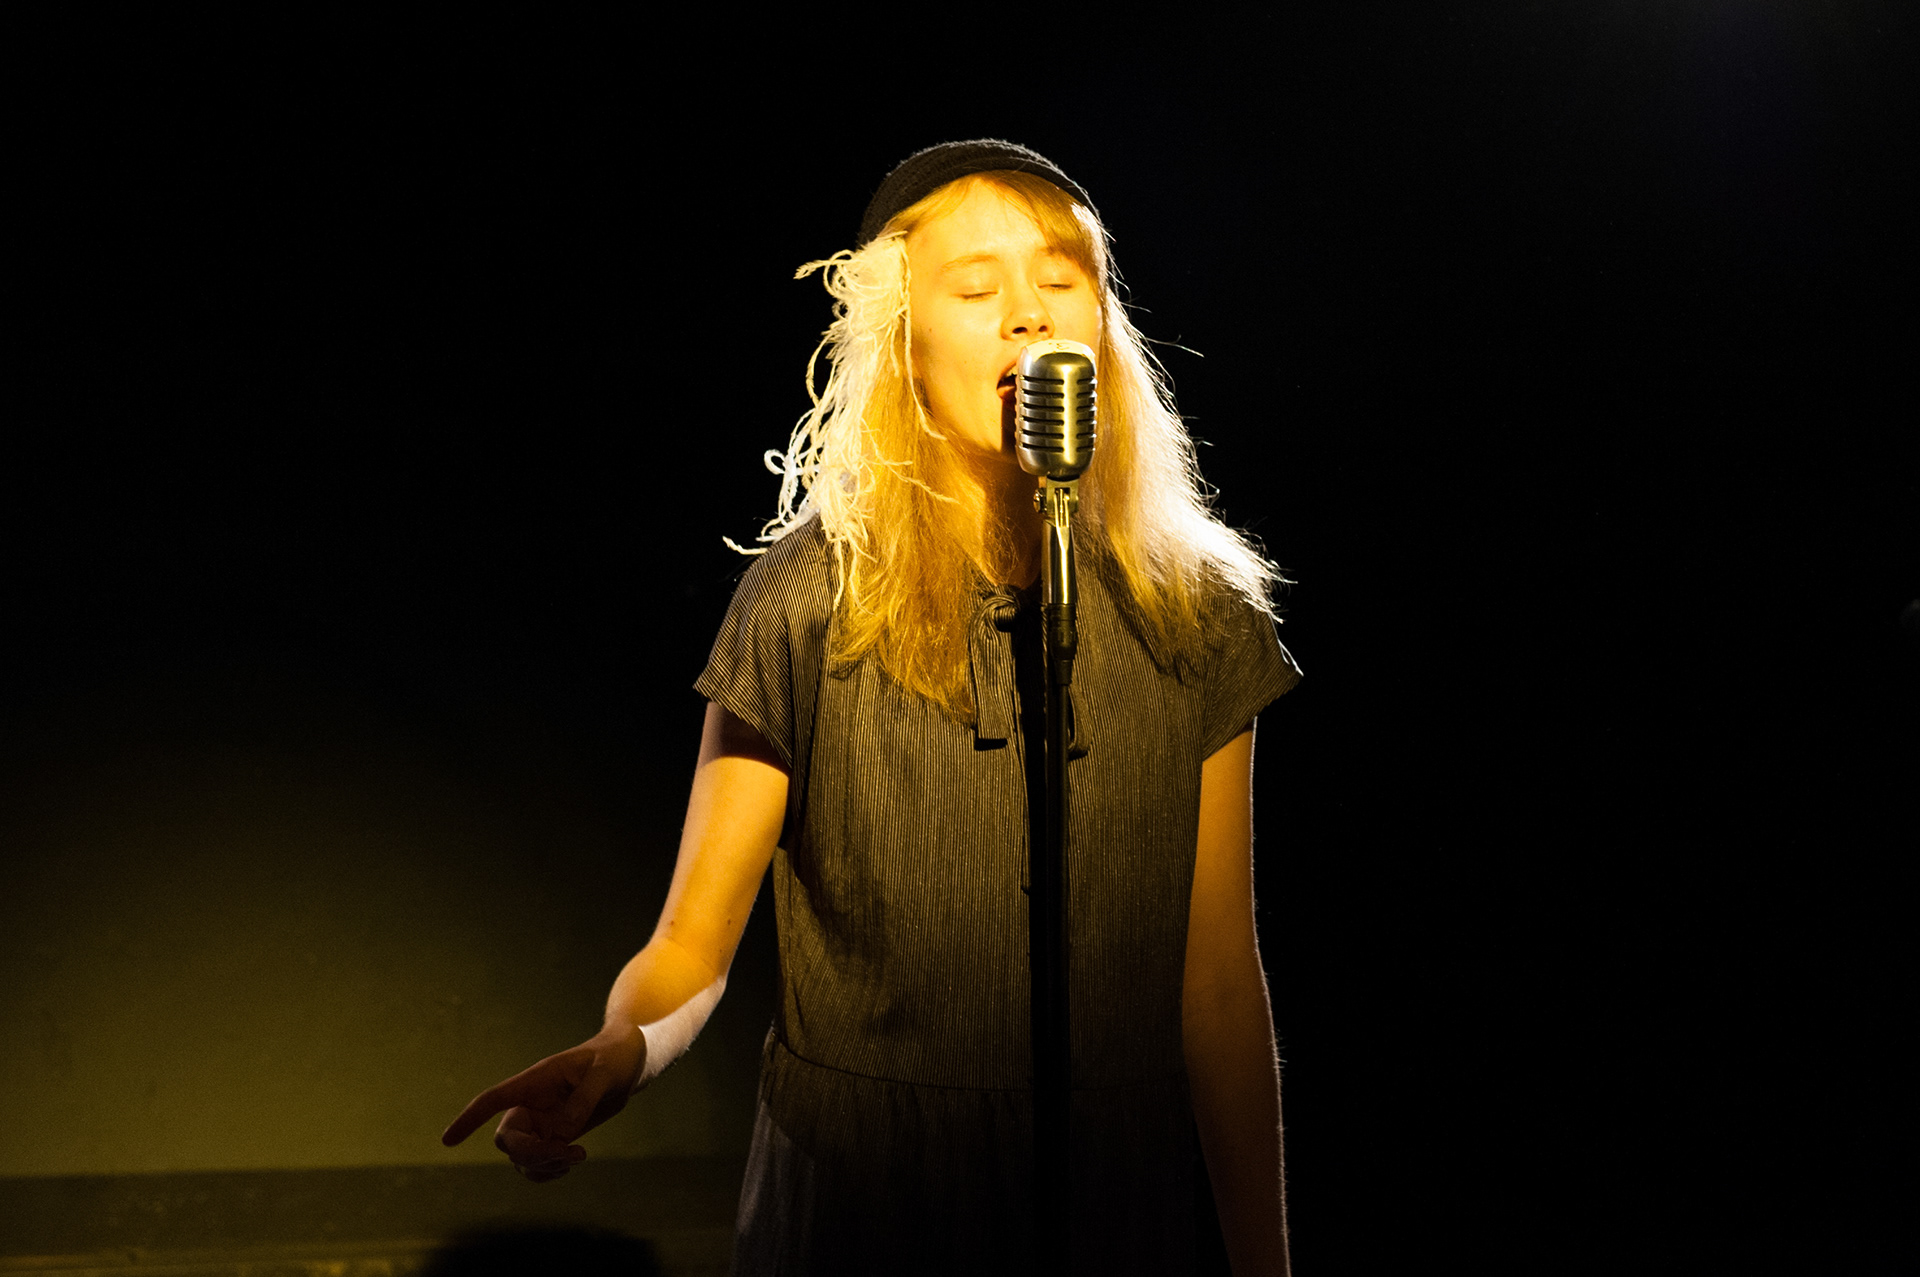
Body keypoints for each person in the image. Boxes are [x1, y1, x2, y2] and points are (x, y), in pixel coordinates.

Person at [442, 139, 1300, 1276]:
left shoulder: (1196, 615)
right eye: (976, 288)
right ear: (901, 341)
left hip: (1112, 1189)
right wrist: (618, 1053)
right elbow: (691, 945)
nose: (1029, 314)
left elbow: (1220, 986)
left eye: (1061, 279)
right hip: (863, 1193)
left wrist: (1261, 1258)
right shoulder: (804, 601)